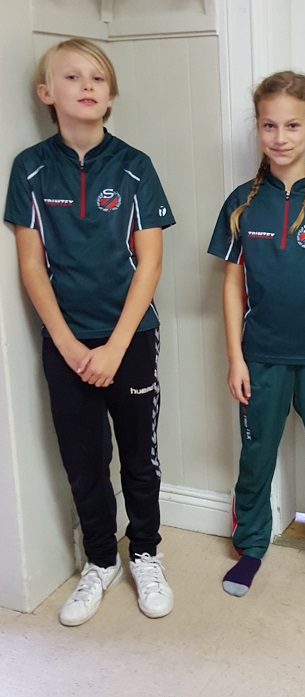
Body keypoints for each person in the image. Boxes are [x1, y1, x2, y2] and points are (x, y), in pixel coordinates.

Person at [4, 38, 175, 626]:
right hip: (66, 345)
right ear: (46, 93)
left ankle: (145, 553)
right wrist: (71, 345)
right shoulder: (29, 168)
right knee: (83, 461)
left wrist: (115, 347)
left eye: (98, 78)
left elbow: (150, 263)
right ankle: (100, 561)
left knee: (139, 459)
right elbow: (31, 266)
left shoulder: (135, 166)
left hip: (131, 340)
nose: (87, 86)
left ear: (111, 96)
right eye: (72, 77)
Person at [208, 71, 305, 607]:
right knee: (256, 457)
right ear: (258, 128)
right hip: (261, 359)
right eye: (269, 125)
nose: (280, 137)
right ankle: (251, 546)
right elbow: (231, 287)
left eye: (292, 125)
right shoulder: (241, 202)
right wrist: (235, 358)